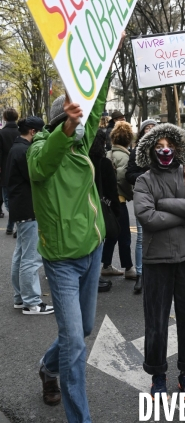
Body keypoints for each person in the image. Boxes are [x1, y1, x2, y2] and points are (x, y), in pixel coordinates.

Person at [28, 31, 121, 420]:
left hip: (91, 250)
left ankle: (48, 368)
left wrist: (105, 63)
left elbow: (96, 105)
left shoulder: (83, 145)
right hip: (62, 262)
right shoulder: (39, 150)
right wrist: (67, 128)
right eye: (72, 121)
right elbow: (47, 158)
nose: (83, 127)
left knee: (79, 331)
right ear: (58, 121)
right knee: (76, 343)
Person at [133, 123, 185, 399]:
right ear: (151, 150)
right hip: (157, 261)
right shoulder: (143, 180)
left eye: (169, 145)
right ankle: (157, 375)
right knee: (156, 321)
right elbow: (147, 218)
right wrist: (184, 210)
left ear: (177, 147)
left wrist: (163, 203)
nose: (164, 150)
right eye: (158, 146)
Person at [6, 116, 54, 314]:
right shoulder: (25, 151)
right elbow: (36, 177)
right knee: (31, 258)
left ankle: (21, 298)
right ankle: (32, 302)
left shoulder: (15, 148)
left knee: (21, 255)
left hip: (19, 206)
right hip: (28, 207)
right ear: (33, 132)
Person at [125, 118, 158, 293]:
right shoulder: (136, 151)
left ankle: (157, 273)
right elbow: (129, 175)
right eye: (147, 128)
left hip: (161, 198)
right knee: (141, 237)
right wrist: (144, 175)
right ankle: (140, 274)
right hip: (142, 197)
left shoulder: (163, 150)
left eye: (153, 128)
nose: (150, 130)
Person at [101, 121, 136, 280]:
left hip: (106, 201)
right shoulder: (125, 157)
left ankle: (106, 264)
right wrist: (131, 194)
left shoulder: (108, 154)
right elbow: (123, 179)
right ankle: (128, 267)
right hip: (119, 200)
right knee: (124, 236)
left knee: (111, 234)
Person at [89, 128, 120, 293]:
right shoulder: (104, 163)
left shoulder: (81, 160)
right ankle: (95, 275)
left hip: (82, 207)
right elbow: (111, 190)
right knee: (99, 240)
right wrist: (115, 209)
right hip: (101, 207)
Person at [0, 107, 20, 234]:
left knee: (7, 198)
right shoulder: (20, 131)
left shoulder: (1, 133)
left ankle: (15, 225)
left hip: (5, 168)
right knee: (17, 197)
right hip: (19, 168)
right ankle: (11, 226)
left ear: (5, 118)